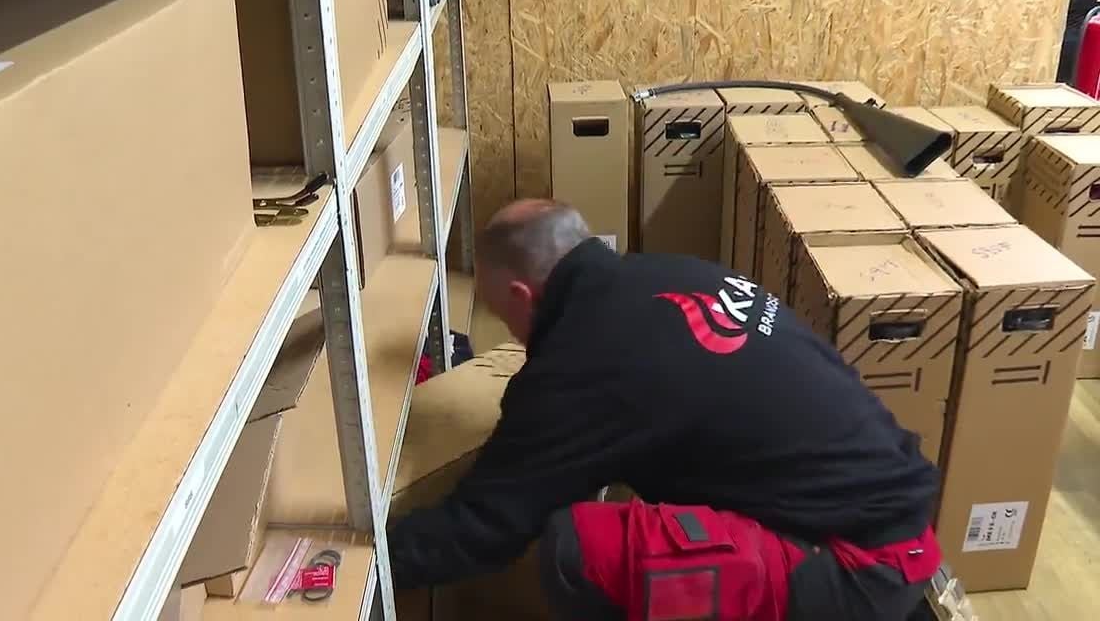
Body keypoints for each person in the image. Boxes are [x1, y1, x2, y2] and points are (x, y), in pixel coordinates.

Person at [387, 199, 946, 620]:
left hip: (860, 567)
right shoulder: (669, 274)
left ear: (520, 295)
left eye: (502, 315)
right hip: (902, 521)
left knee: (576, 549)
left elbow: (485, 528)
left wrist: (365, 563)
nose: (510, 334)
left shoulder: (583, 362)